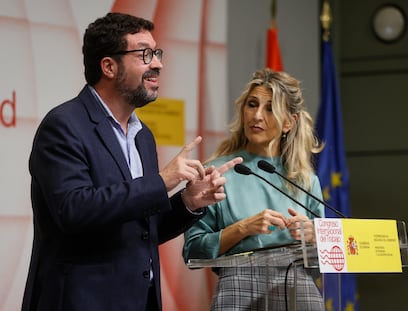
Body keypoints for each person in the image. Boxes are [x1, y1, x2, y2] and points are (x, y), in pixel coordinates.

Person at [21, 12, 242, 311]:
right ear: (109, 66)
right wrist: (162, 182)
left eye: (157, 53)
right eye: (145, 54)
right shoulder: (63, 125)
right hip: (81, 301)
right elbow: (74, 210)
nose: (158, 64)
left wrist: (187, 202)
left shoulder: (143, 137)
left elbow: (140, 229)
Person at [183, 68, 325, 310]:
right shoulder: (217, 173)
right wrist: (243, 228)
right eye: (252, 104)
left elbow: (328, 258)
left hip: (298, 291)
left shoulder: (306, 180)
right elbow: (193, 251)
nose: (257, 115)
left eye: (270, 108)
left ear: (290, 122)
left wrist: (314, 237)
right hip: (238, 291)